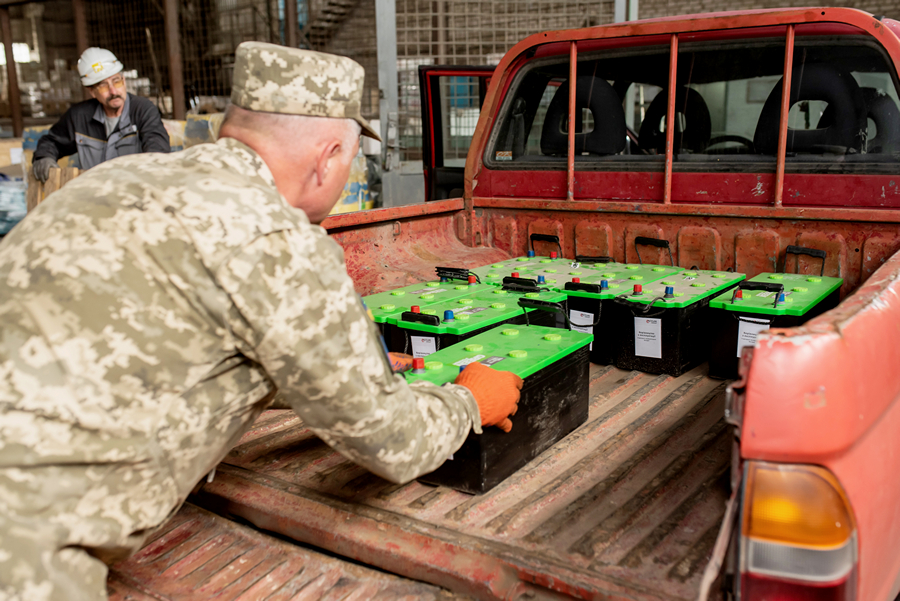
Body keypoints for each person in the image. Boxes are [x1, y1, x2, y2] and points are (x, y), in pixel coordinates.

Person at [0, 42, 522, 601]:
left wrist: (334, 371)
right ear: (326, 158)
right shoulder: (278, 241)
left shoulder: (108, 183)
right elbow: (392, 442)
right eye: (347, 162)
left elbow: (143, 342)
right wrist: (469, 403)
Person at [31, 47, 170, 183]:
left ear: (124, 80)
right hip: (95, 197)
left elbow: (157, 149)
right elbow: (52, 142)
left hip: (134, 193)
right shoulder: (79, 117)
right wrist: (44, 158)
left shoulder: (142, 110)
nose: (113, 91)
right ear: (92, 91)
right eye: (103, 86)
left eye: (117, 81)